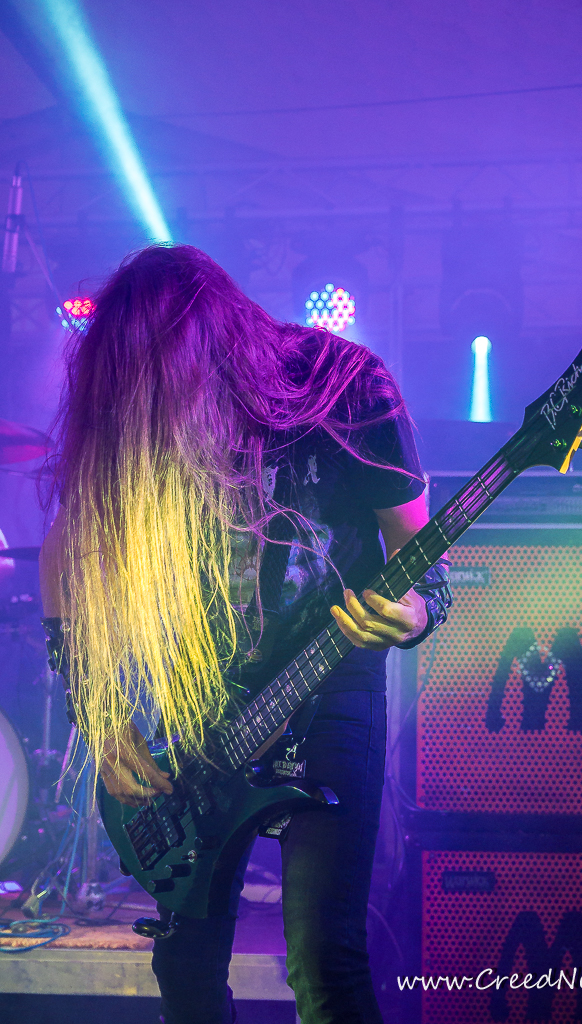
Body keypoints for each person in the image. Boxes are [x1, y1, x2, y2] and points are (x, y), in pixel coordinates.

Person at [39, 244, 451, 1024]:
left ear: (213, 351)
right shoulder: (129, 415)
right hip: (201, 695)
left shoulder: (341, 383)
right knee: (183, 966)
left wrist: (415, 613)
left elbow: (421, 561)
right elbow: (66, 550)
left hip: (329, 679)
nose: (152, 410)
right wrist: (100, 717)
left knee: (322, 961)